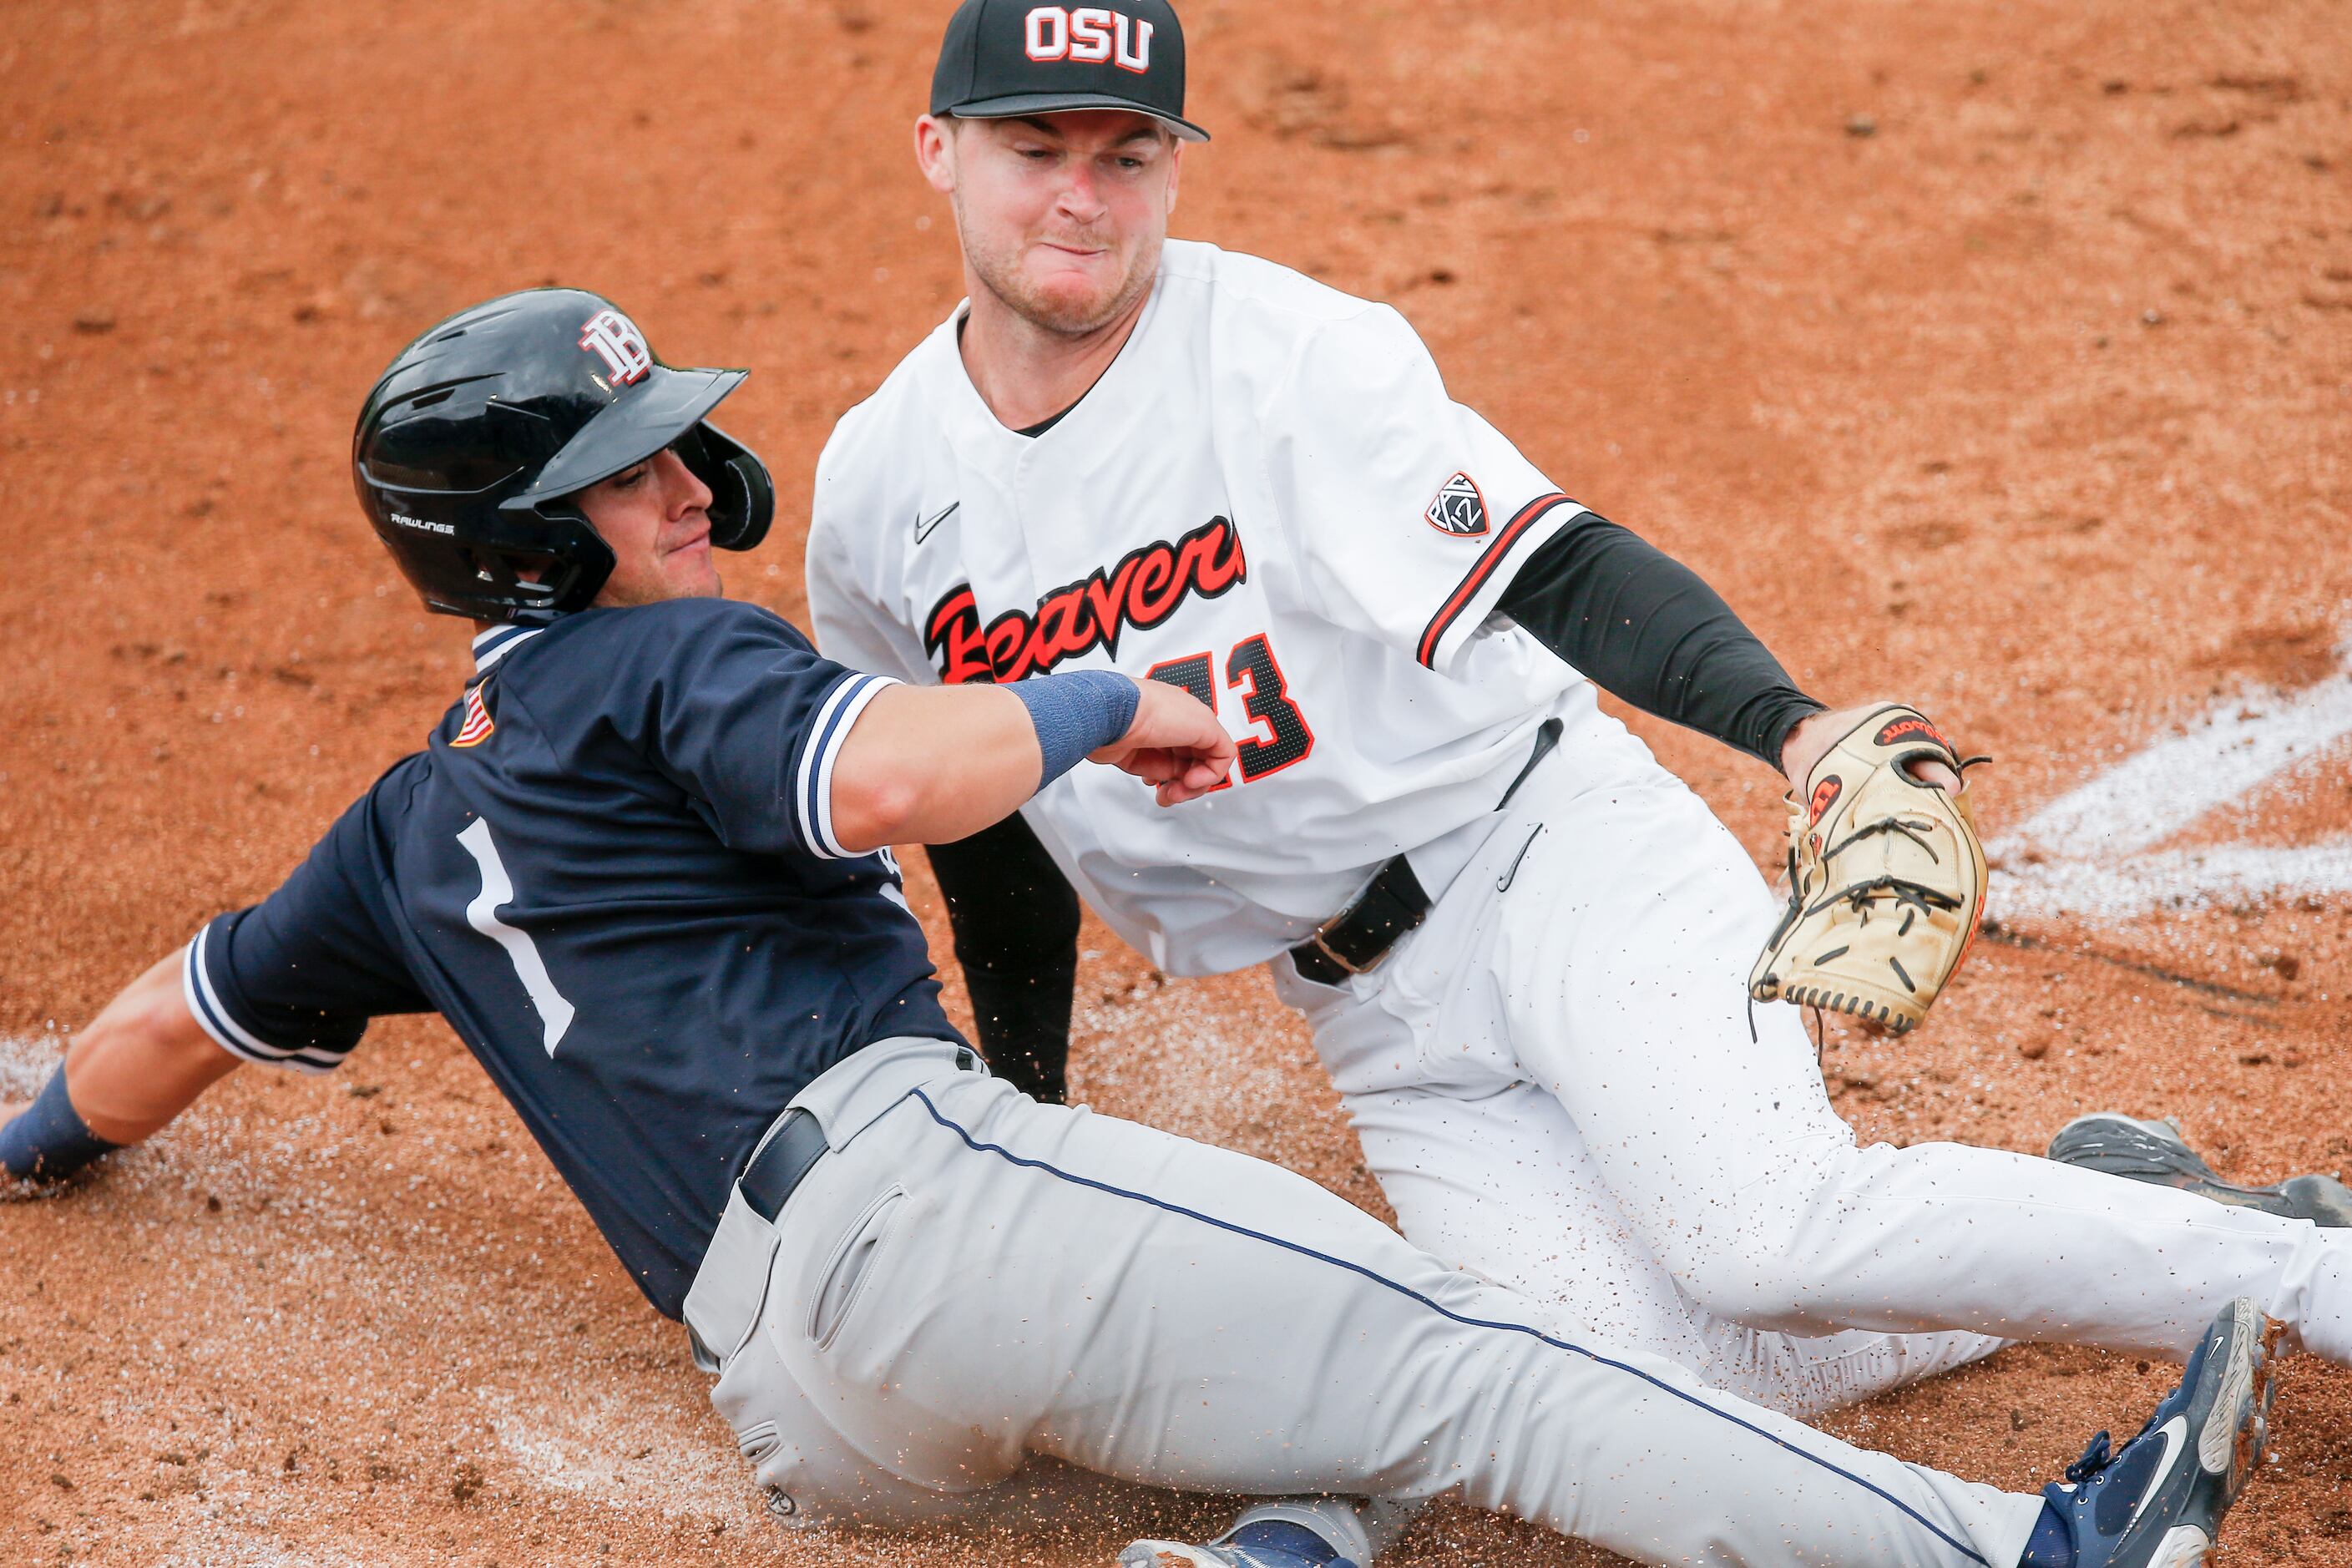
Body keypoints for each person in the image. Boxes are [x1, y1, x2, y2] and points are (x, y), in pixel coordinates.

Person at [0, 289, 2282, 1568]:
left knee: (1455, 1330)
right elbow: (905, 781)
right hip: (935, 1192)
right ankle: (2027, 1560)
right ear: (520, 541)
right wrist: (1107, 687)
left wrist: (33, 1145)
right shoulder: (691, 663)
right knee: (1481, 1347)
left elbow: (154, 1030)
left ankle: (1289, 1545)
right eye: (633, 469)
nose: (693, 484)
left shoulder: (402, 825)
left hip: (811, 1413)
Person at [801, 3, 2352, 1563]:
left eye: (1126, 153)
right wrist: (1027, 1109)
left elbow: (1549, 557)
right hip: (1369, 1017)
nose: (1082, 193)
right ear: (938, 150)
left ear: (1173, 175)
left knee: (1758, 1236)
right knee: (1612, 1381)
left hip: (1547, 854)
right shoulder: (880, 491)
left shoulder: (1286, 359)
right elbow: (979, 807)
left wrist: (1791, 727)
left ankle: (2299, 1266)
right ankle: (2102, 1196)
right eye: (1034, 148)